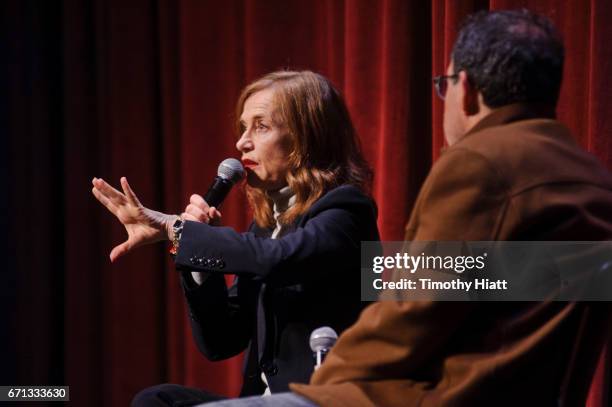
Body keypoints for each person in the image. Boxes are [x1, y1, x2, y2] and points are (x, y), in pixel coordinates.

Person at [194, 9, 612, 407]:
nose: (243, 141)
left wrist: (325, 384)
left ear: (464, 89)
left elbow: (413, 312)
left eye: (442, 85)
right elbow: (482, 286)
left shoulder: (479, 162)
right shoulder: (591, 180)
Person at [91, 71, 380, 405]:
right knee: (157, 400)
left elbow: (280, 258)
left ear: (306, 137)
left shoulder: (346, 210)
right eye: (244, 127)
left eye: (261, 126)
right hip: (261, 400)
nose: (242, 142)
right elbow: (221, 340)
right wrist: (198, 262)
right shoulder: (265, 227)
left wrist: (181, 232)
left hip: (321, 399)